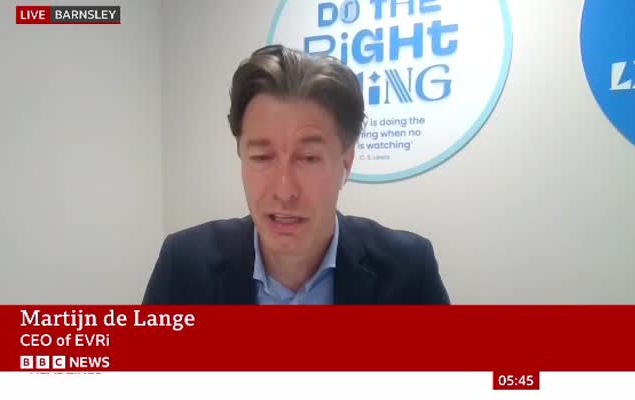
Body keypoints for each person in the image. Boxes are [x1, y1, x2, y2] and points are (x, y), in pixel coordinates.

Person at [143, 45, 450, 305]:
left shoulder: (408, 270)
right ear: (241, 157)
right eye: (262, 157)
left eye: (308, 158)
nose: (284, 191)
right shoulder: (183, 265)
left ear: (346, 162)